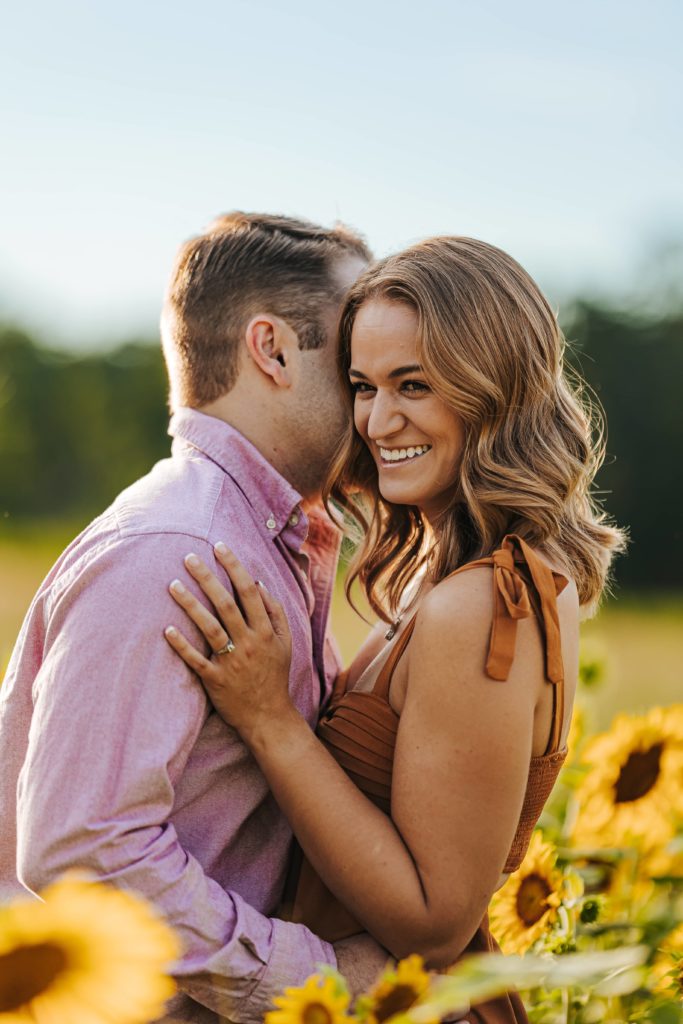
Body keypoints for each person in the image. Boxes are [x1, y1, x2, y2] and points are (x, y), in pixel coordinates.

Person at [165, 236, 626, 1023]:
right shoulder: (501, 578)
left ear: (492, 387)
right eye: (361, 386)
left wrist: (272, 721)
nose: (378, 420)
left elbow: (433, 923)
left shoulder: (478, 605)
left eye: (412, 385)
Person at [0, 212, 395, 1024]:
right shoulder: (174, 550)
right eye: (355, 352)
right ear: (273, 349)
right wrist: (316, 979)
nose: (377, 379)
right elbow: (83, 851)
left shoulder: (267, 537)